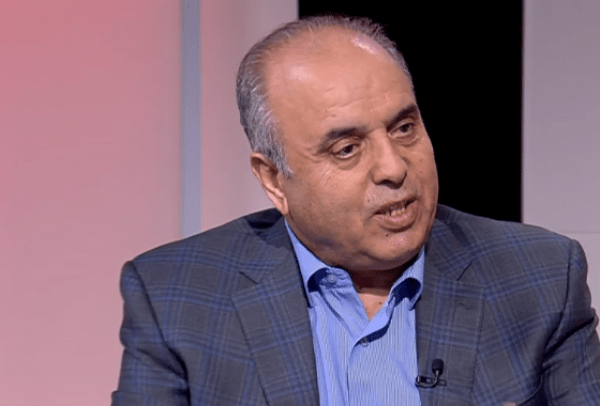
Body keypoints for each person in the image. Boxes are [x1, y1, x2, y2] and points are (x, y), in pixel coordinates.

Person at [112, 16, 600, 406]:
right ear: (274, 179)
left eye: (404, 128)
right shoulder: (176, 298)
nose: (393, 167)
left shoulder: (539, 279)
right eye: (346, 149)